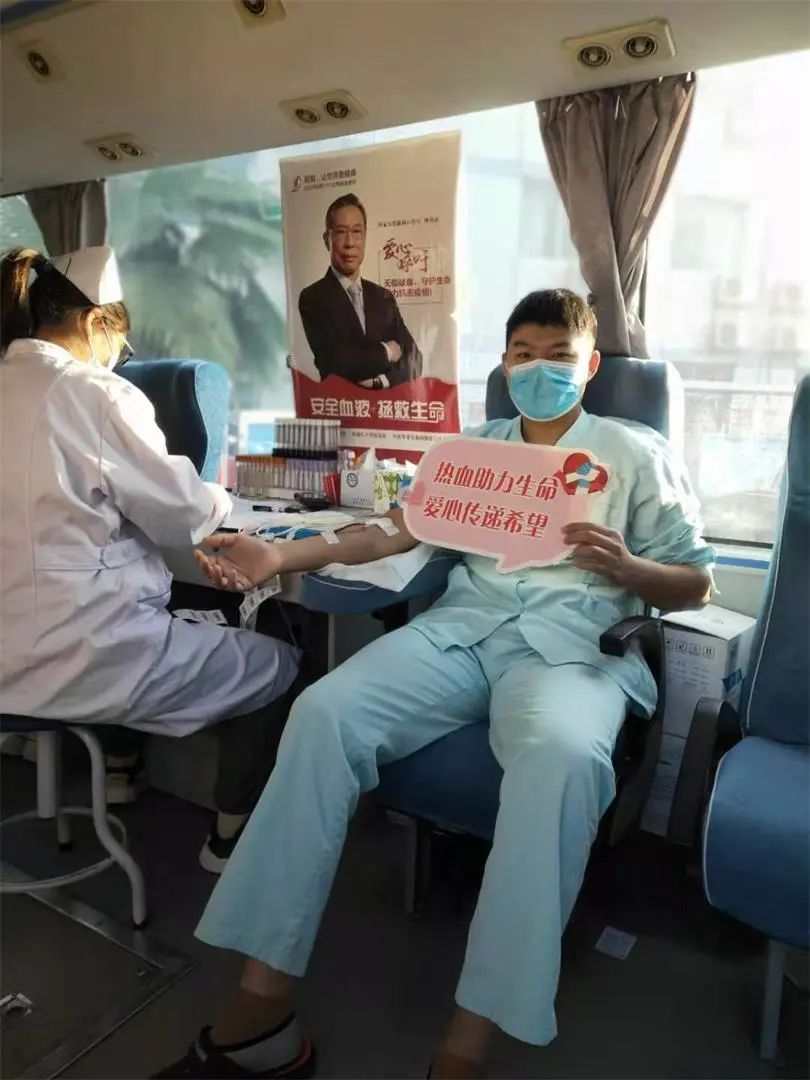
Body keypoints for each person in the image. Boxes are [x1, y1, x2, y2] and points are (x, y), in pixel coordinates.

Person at [157, 290, 715, 1079]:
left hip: (572, 648)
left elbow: (695, 582)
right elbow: (390, 532)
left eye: (558, 356)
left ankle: (468, 1041)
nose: (539, 370)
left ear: (590, 365)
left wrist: (632, 570)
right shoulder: (471, 453)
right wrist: (281, 556)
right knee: (324, 711)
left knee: (560, 759)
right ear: (505, 365)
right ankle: (263, 1001)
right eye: (523, 354)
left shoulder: (633, 453)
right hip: (463, 631)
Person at [0, 246, 302, 872]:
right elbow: (182, 512)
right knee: (280, 666)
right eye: (120, 342)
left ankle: (118, 767)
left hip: (14, 652)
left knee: (150, 617)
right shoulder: (94, 392)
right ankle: (230, 840)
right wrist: (224, 498)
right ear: (95, 322)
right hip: (78, 654)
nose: (119, 356)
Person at [298, 193, 423, 388]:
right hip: (340, 404)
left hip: (384, 405)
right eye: (341, 232)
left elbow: (415, 358)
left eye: (357, 232)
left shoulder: (383, 297)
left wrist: (380, 381)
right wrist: (387, 352)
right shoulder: (313, 298)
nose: (350, 243)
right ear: (326, 239)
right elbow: (335, 362)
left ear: (365, 237)